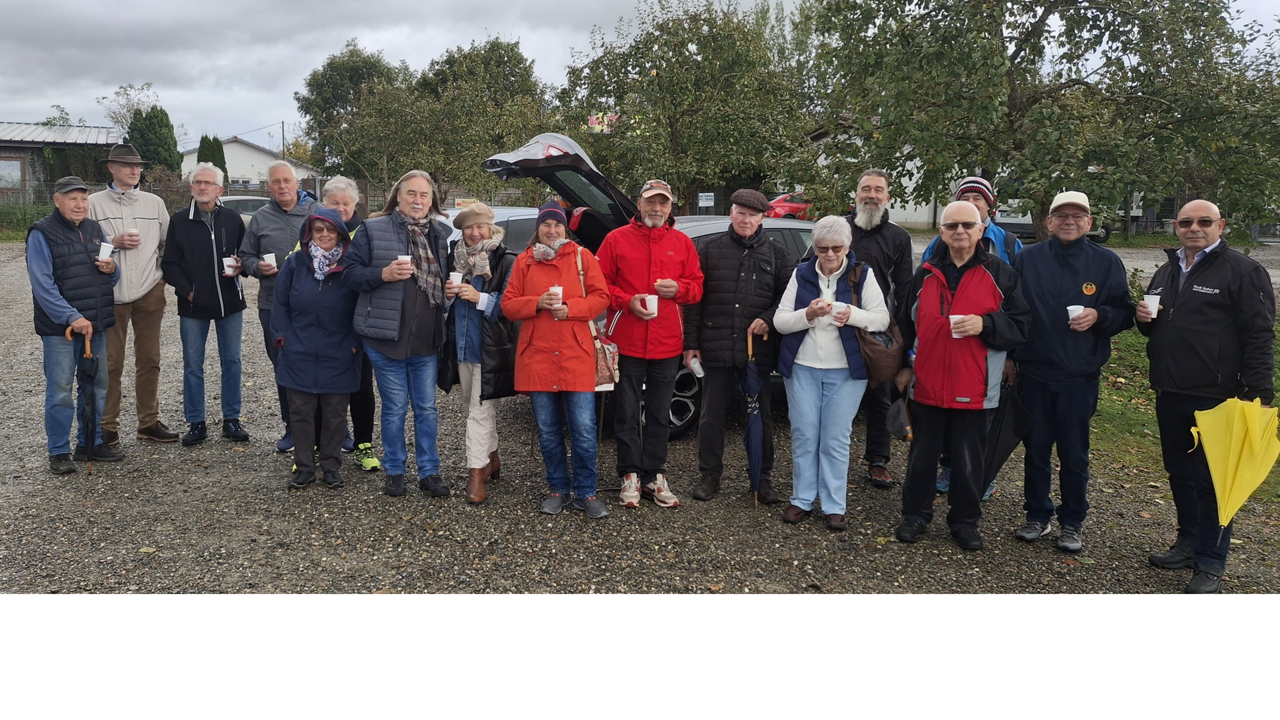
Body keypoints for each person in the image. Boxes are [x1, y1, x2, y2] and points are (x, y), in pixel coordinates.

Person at [1137, 199, 1275, 596]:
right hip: (1170, 390)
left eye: (1203, 221)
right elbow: (1160, 327)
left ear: (1221, 225)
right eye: (1185, 222)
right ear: (1176, 227)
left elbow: (1259, 334)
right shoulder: (1167, 269)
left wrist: (1258, 393)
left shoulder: (1244, 271)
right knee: (1180, 474)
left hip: (1220, 396)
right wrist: (1144, 321)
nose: (1193, 228)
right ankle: (1187, 543)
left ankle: (1212, 562)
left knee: (1214, 482)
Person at [893, 201, 1030, 551]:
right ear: (941, 231)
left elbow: (1021, 326)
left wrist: (985, 324)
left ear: (981, 229)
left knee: (970, 461)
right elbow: (905, 327)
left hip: (976, 385)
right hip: (928, 384)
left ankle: (965, 522)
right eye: (952, 226)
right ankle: (915, 516)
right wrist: (905, 366)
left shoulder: (1001, 274)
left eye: (967, 225)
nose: (960, 232)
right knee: (922, 458)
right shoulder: (924, 275)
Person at [1011, 191, 1134, 552]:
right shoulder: (1027, 259)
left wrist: (1100, 316)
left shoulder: (1106, 262)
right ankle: (1037, 515)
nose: (1069, 221)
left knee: (1074, 454)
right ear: (1048, 222)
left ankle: (1072, 521)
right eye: (1061, 216)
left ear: (1089, 223)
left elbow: (1124, 312)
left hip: (1079, 376)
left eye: (1077, 216)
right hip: (1033, 372)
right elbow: (1012, 311)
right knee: (1035, 449)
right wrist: (1009, 358)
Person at [774, 216, 890, 531]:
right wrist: (808, 314)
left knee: (836, 439)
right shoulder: (801, 273)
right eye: (823, 248)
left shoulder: (862, 275)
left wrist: (853, 314)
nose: (829, 255)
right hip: (802, 368)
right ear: (814, 247)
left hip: (847, 371)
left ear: (847, 247)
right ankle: (802, 499)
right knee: (804, 435)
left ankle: (834, 504)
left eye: (836, 248)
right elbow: (781, 321)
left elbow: (881, 319)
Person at [596, 179, 704, 509]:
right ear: (639, 204)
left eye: (663, 203)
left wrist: (679, 290)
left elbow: (697, 288)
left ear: (670, 208)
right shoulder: (616, 239)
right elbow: (600, 286)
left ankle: (654, 474)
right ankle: (629, 473)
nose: (656, 208)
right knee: (626, 412)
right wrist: (627, 301)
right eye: (650, 202)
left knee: (659, 413)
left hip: (667, 341)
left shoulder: (682, 243)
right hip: (626, 339)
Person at [342, 170, 450, 498]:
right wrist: (383, 274)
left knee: (427, 408)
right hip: (384, 337)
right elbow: (349, 274)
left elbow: (441, 280)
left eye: (424, 195)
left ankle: (429, 472)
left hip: (425, 338)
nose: (418, 200)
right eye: (411, 194)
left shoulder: (440, 234)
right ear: (398, 197)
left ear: (431, 201)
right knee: (394, 407)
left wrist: (448, 292)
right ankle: (395, 470)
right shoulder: (372, 230)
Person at [501, 202, 611, 518]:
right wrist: (536, 302)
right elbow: (508, 306)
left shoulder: (582, 257)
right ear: (538, 229)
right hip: (537, 357)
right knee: (548, 430)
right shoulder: (524, 261)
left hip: (576, 355)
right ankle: (558, 489)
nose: (552, 230)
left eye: (557, 225)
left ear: (565, 229)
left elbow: (601, 297)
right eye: (546, 225)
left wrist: (571, 309)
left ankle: (587, 493)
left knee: (584, 429)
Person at [685, 189, 795, 504]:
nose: (745, 219)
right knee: (710, 416)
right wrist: (690, 343)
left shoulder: (777, 254)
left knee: (759, 417)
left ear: (763, 218)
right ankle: (710, 475)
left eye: (752, 214)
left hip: (755, 351)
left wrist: (768, 319)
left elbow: (787, 300)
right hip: (716, 346)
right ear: (731, 213)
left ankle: (762, 479)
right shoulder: (709, 250)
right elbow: (694, 303)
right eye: (740, 213)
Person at [921, 176, 1023, 497]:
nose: (973, 203)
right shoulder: (939, 244)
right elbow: (920, 296)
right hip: (940, 352)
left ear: (987, 210)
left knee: (981, 422)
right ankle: (949, 467)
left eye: (978, 199)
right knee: (943, 419)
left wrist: (1008, 354)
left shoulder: (1007, 244)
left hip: (986, 353)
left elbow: (1018, 311)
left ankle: (982, 474)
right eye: (966, 197)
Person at [26, 176, 122, 473]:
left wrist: (112, 268)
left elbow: (111, 277)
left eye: (83, 198)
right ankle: (58, 451)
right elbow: (42, 285)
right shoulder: (42, 233)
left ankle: (89, 443)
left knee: (96, 385)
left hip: (96, 323)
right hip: (62, 329)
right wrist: (72, 317)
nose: (80, 204)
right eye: (72, 199)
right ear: (57, 200)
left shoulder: (95, 230)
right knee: (61, 389)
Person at [88, 143, 176, 446]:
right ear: (111, 168)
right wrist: (112, 242)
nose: (134, 171)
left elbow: (168, 244)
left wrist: (161, 278)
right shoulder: (93, 204)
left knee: (150, 359)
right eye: (127, 166)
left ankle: (148, 422)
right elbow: (83, 247)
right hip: (110, 294)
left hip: (149, 291)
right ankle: (107, 426)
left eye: (138, 166)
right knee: (110, 362)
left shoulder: (154, 203)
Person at [271, 208, 361, 490]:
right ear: (309, 233)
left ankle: (332, 467)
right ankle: (305, 466)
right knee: (300, 412)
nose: (324, 235)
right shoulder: (295, 263)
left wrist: (355, 343)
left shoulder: (350, 266)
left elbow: (361, 306)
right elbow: (280, 303)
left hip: (339, 350)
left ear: (340, 234)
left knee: (335, 414)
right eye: (318, 230)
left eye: (330, 230)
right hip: (299, 348)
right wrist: (283, 337)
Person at [161, 163, 250, 446]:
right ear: (191, 187)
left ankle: (231, 419)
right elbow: (170, 264)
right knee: (192, 364)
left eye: (208, 183)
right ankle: (196, 421)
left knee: (232, 361)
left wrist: (241, 268)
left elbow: (244, 256)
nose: (202, 187)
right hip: (193, 305)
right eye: (197, 182)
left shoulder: (232, 219)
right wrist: (188, 292)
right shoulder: (179, 221)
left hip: (229, 302)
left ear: (219, 189)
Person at [238, 161, 320, 453]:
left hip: (316, 304)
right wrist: (256, 267)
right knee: (284, 367)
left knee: (322, 364)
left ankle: (330, 429)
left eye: (287, 180)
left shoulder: (316, 213)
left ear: (297, 183)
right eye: (276, 182)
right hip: (273, 305)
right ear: (269, 186)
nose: (282, 186)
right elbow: (245, 256)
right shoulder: (259, 218)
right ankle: (292, 428)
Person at [842, 170, 915, 490]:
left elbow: (906, 289)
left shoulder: (899, 238)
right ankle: (833, 458)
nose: (871, 194)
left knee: (880, 398)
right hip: (839, 325)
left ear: (888, 198)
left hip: (879, 332)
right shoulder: (839, 229)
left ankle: (878, 460)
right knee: (837, 395)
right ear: (855, 194)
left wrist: (901, 341)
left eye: (878, 190)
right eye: (865, 189)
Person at [442, 202, 518, 504]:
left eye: (479, 227)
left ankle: (476, 475)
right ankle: (492, 459)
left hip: (490, 349)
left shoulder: (506, 259)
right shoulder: (453, 257)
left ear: (490, 228)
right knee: (472, 409)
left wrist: (481, 297)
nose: (474, 233)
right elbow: (442, 305)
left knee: (479, 412)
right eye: (468, 228)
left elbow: (512, 305)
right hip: (461, 347)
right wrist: (446, 296)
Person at [322, 176, 378, 471]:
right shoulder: (316, 230)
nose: (341, 208)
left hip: (359, 318)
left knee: (360, 384)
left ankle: (364, 442)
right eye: (335, 203)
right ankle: (323, 445)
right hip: (323, 322)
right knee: (323, 385)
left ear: (356, 204)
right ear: (325, 203)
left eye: (346, 203)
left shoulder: (366, 232)